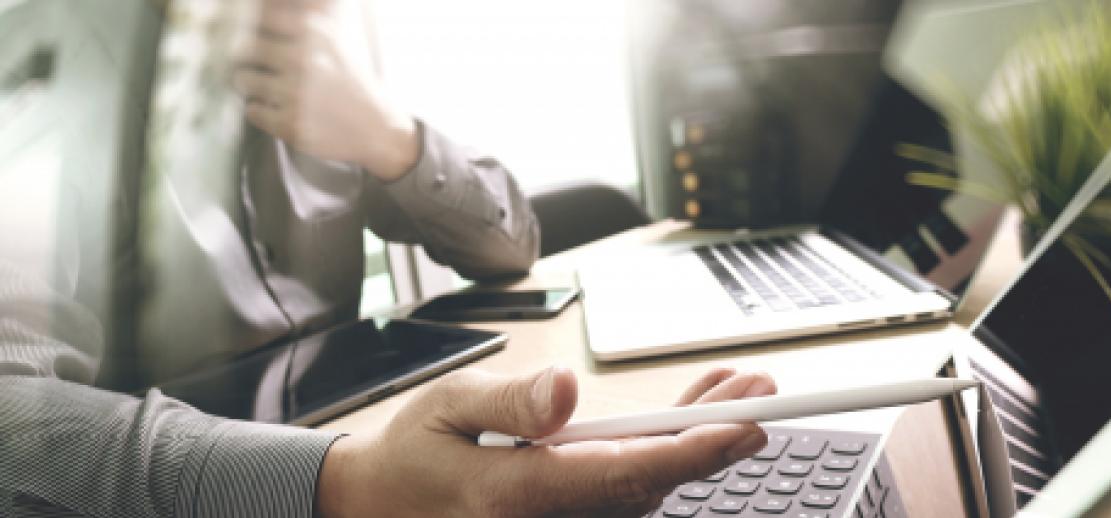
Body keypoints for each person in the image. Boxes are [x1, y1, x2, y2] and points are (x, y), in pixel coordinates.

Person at [0, 0, 774, 516]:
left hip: (360, 434)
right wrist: (343, 484)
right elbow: (12, 418)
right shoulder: (49, 51)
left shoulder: (324, 33)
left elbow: (512, 243)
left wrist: (386, 135)